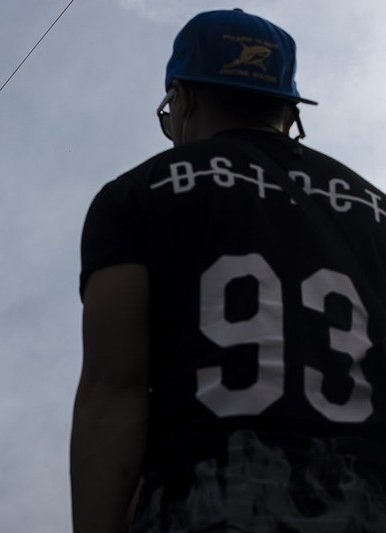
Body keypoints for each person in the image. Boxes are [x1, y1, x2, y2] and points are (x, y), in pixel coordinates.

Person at [72, 9, 386, 533]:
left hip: (204, 505)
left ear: (182, 98)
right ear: (290, 112)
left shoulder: (133, 195)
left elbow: (114, 386)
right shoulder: (379, 210)